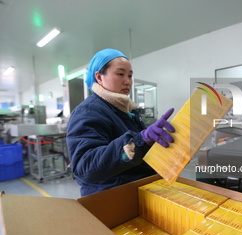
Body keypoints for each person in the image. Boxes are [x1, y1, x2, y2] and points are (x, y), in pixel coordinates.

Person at [66, 48, 175, 197]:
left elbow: (138, 155)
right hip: (110, 197)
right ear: (99, 77)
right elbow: (85, 167)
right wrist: (138, 141)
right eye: (120, 74)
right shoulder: (89, 111)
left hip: (135, 190)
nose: (127, 81)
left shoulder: (128, 110)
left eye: (130, 76)